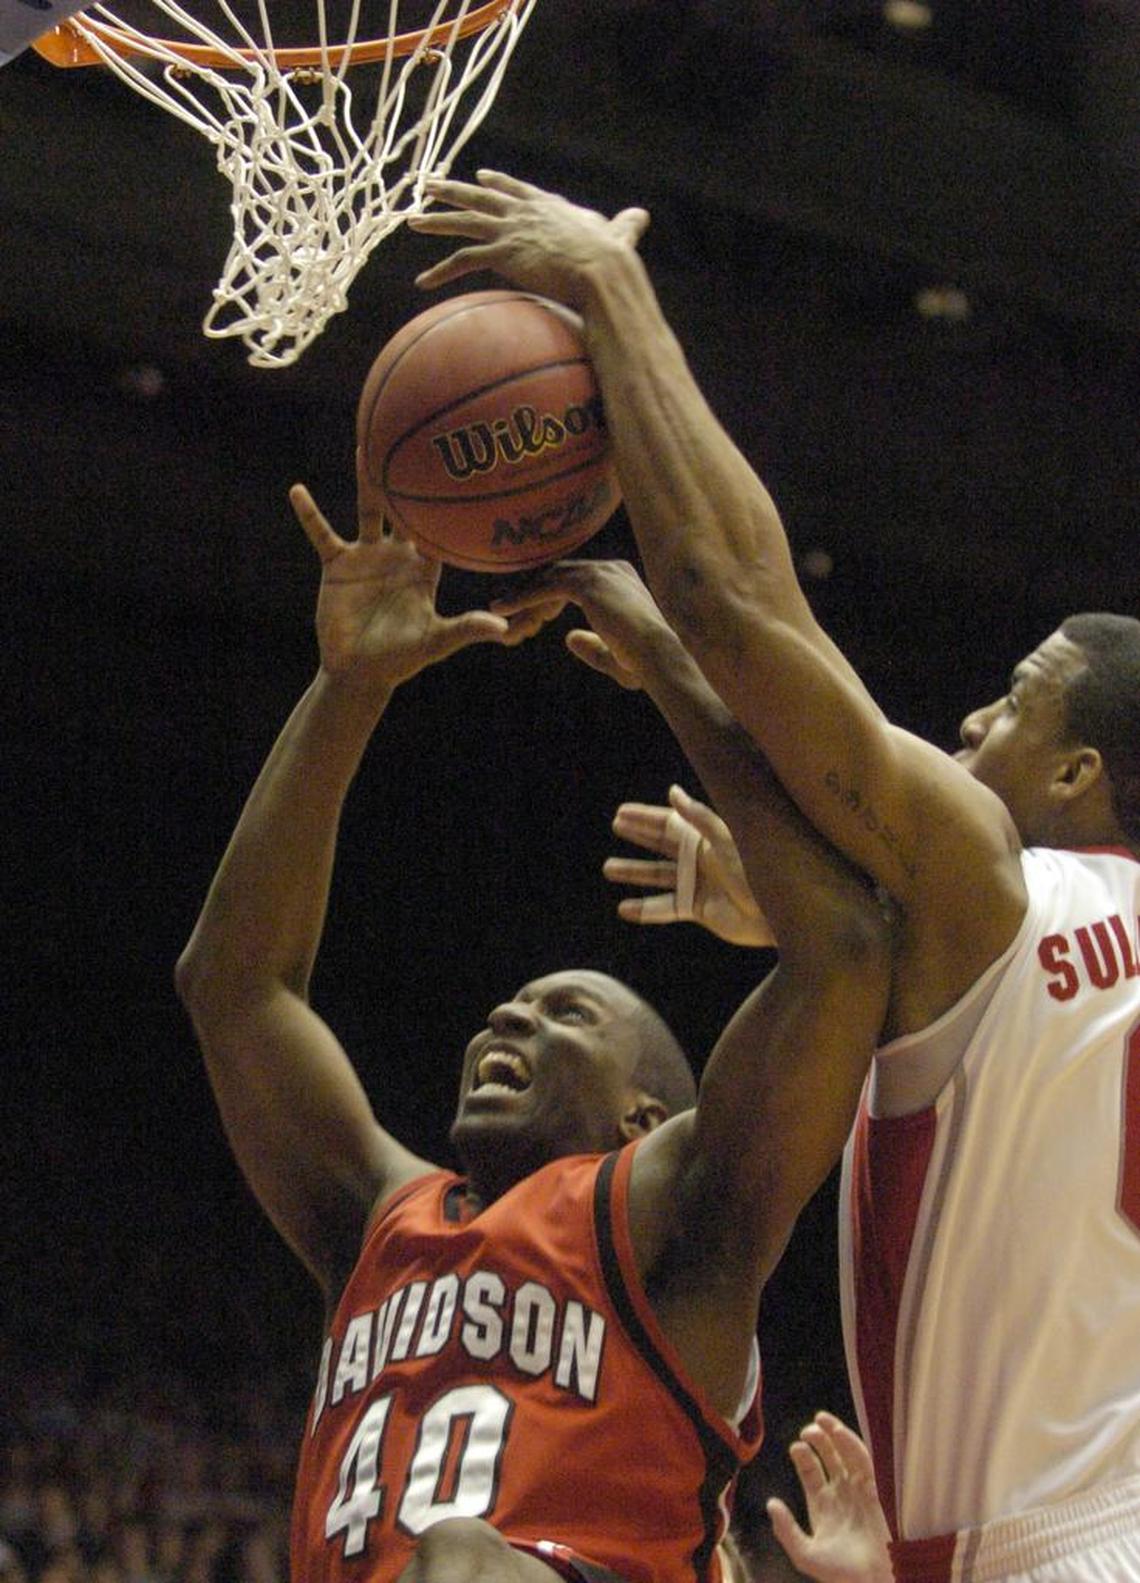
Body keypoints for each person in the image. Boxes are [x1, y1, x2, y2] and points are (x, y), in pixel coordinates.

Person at [407, 171, 1140, 1580]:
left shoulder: (989, 885)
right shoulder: (1048, 945)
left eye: (1017, 700)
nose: (978, 720)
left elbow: (744, 603)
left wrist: (609, 295)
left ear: (1076, 779)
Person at [174, 472, 891, 1583]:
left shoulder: (673, 1209)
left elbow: (842, 950)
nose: (508, 1015)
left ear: (646, 1111)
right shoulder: (379, 1216)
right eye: (511, 1006)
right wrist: (346, 687)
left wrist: (670, 664)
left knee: (462, 1557)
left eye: (566, 1012)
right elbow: (234, 986)